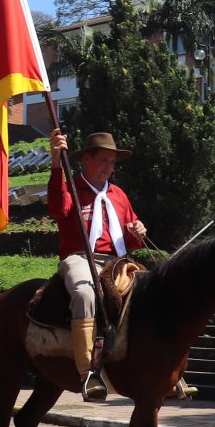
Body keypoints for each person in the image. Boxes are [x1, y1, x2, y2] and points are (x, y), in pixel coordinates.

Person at [46, 128, 147, 403]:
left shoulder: (119, 194)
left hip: (118, 260)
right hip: (80, 257)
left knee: (153, 293)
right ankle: (88, 371)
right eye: (104, 160)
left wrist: (138, 230)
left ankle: (160, 366)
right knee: (84, 293)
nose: (109, 167)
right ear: (86, 159)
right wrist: (56, 161)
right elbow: (57, 208)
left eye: (112, 162)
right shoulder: (71, 187)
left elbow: (131, 239)